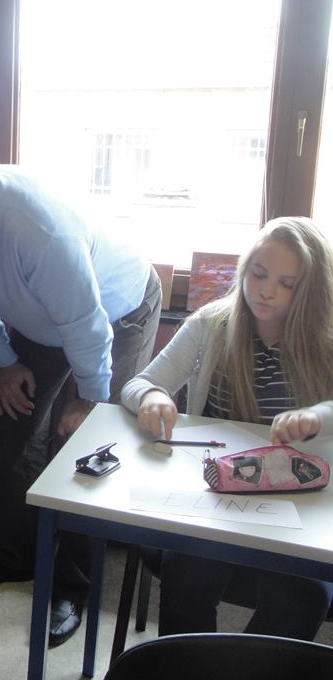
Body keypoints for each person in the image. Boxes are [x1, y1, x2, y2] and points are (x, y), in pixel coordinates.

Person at [0, 160, 162, 646]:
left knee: (86, 451)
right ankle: (16, 556)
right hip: (42, 317)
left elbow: (88, 328)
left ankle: (72, 587)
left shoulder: (43, 235)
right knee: (12, 426)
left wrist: (89, 400)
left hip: (115, 310)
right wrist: (7, 361)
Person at [121, 216, 333, 639]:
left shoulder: (325, 339)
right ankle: (191, 664)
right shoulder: (212, 324)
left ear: (310, 291)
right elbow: (139, 383)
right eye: (258, 273)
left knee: (302, 596)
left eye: (287, 284)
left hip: (302, 508)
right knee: (187, 574)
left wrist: (316, 417)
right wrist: (153, 397)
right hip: (217, 499)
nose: (266, 290)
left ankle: (246, 665)